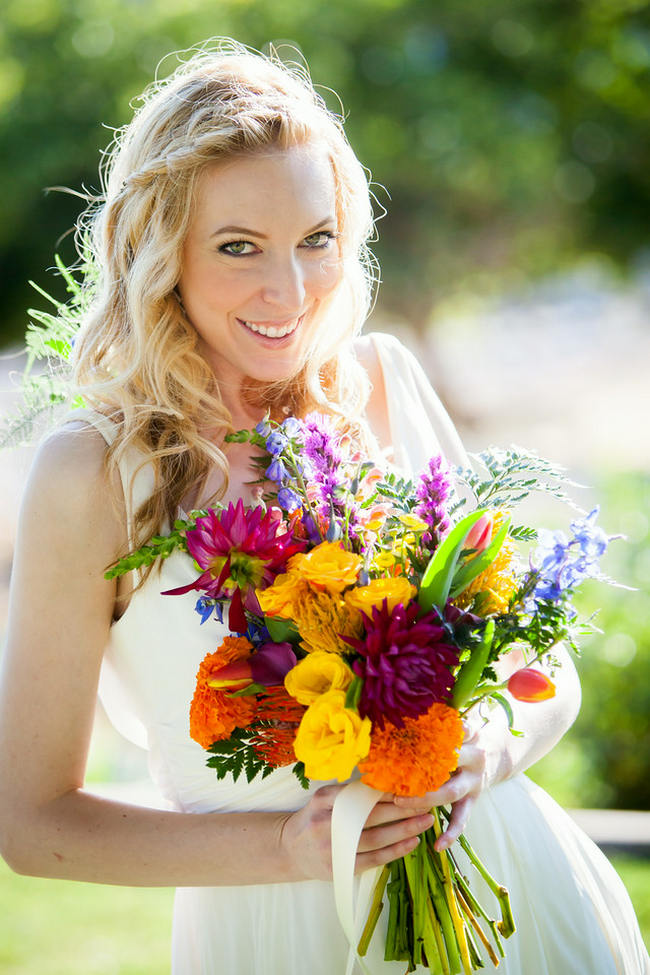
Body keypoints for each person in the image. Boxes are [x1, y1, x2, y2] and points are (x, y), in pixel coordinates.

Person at [0, 40, 647, 975]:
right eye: (238, 247)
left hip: (514, 894)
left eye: (316, 239)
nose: (291, 291)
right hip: (279, 935)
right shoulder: (95, 476)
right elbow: (32, 826)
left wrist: (478, 754)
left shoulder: (381, 384)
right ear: (159, 253)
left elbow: (543, 666)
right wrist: (291, 851)